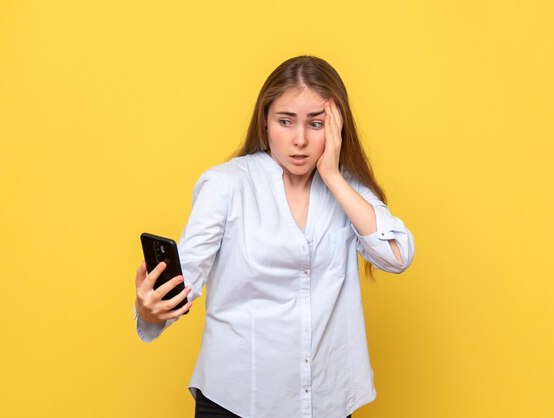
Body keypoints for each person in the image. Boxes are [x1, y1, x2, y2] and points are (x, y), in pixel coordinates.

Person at [134, 55, 415, 418]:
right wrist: (150, 308)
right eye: (285, 121)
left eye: (316, 124)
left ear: (337, 127)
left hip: (326, 401)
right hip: (235, 400)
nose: (300, 140)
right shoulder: (227, 185)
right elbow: (184, 280)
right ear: (265, 122)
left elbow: (396, 257)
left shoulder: (347, 189)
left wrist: (332, 176)